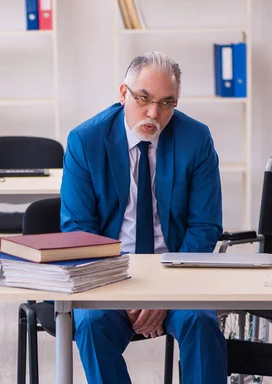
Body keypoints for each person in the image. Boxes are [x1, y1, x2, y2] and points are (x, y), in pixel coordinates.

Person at [60, 51, 227, 384]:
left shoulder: (196, 139)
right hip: (110, 276)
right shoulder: (85, 140)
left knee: (202, 323)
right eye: (144, 98)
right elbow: (79, 230)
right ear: (123, 93)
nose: (154, 113)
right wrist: (121, 293)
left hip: (177, 275)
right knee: (92, 325)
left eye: (167, 103)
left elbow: (205, 227)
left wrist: (161, 293)